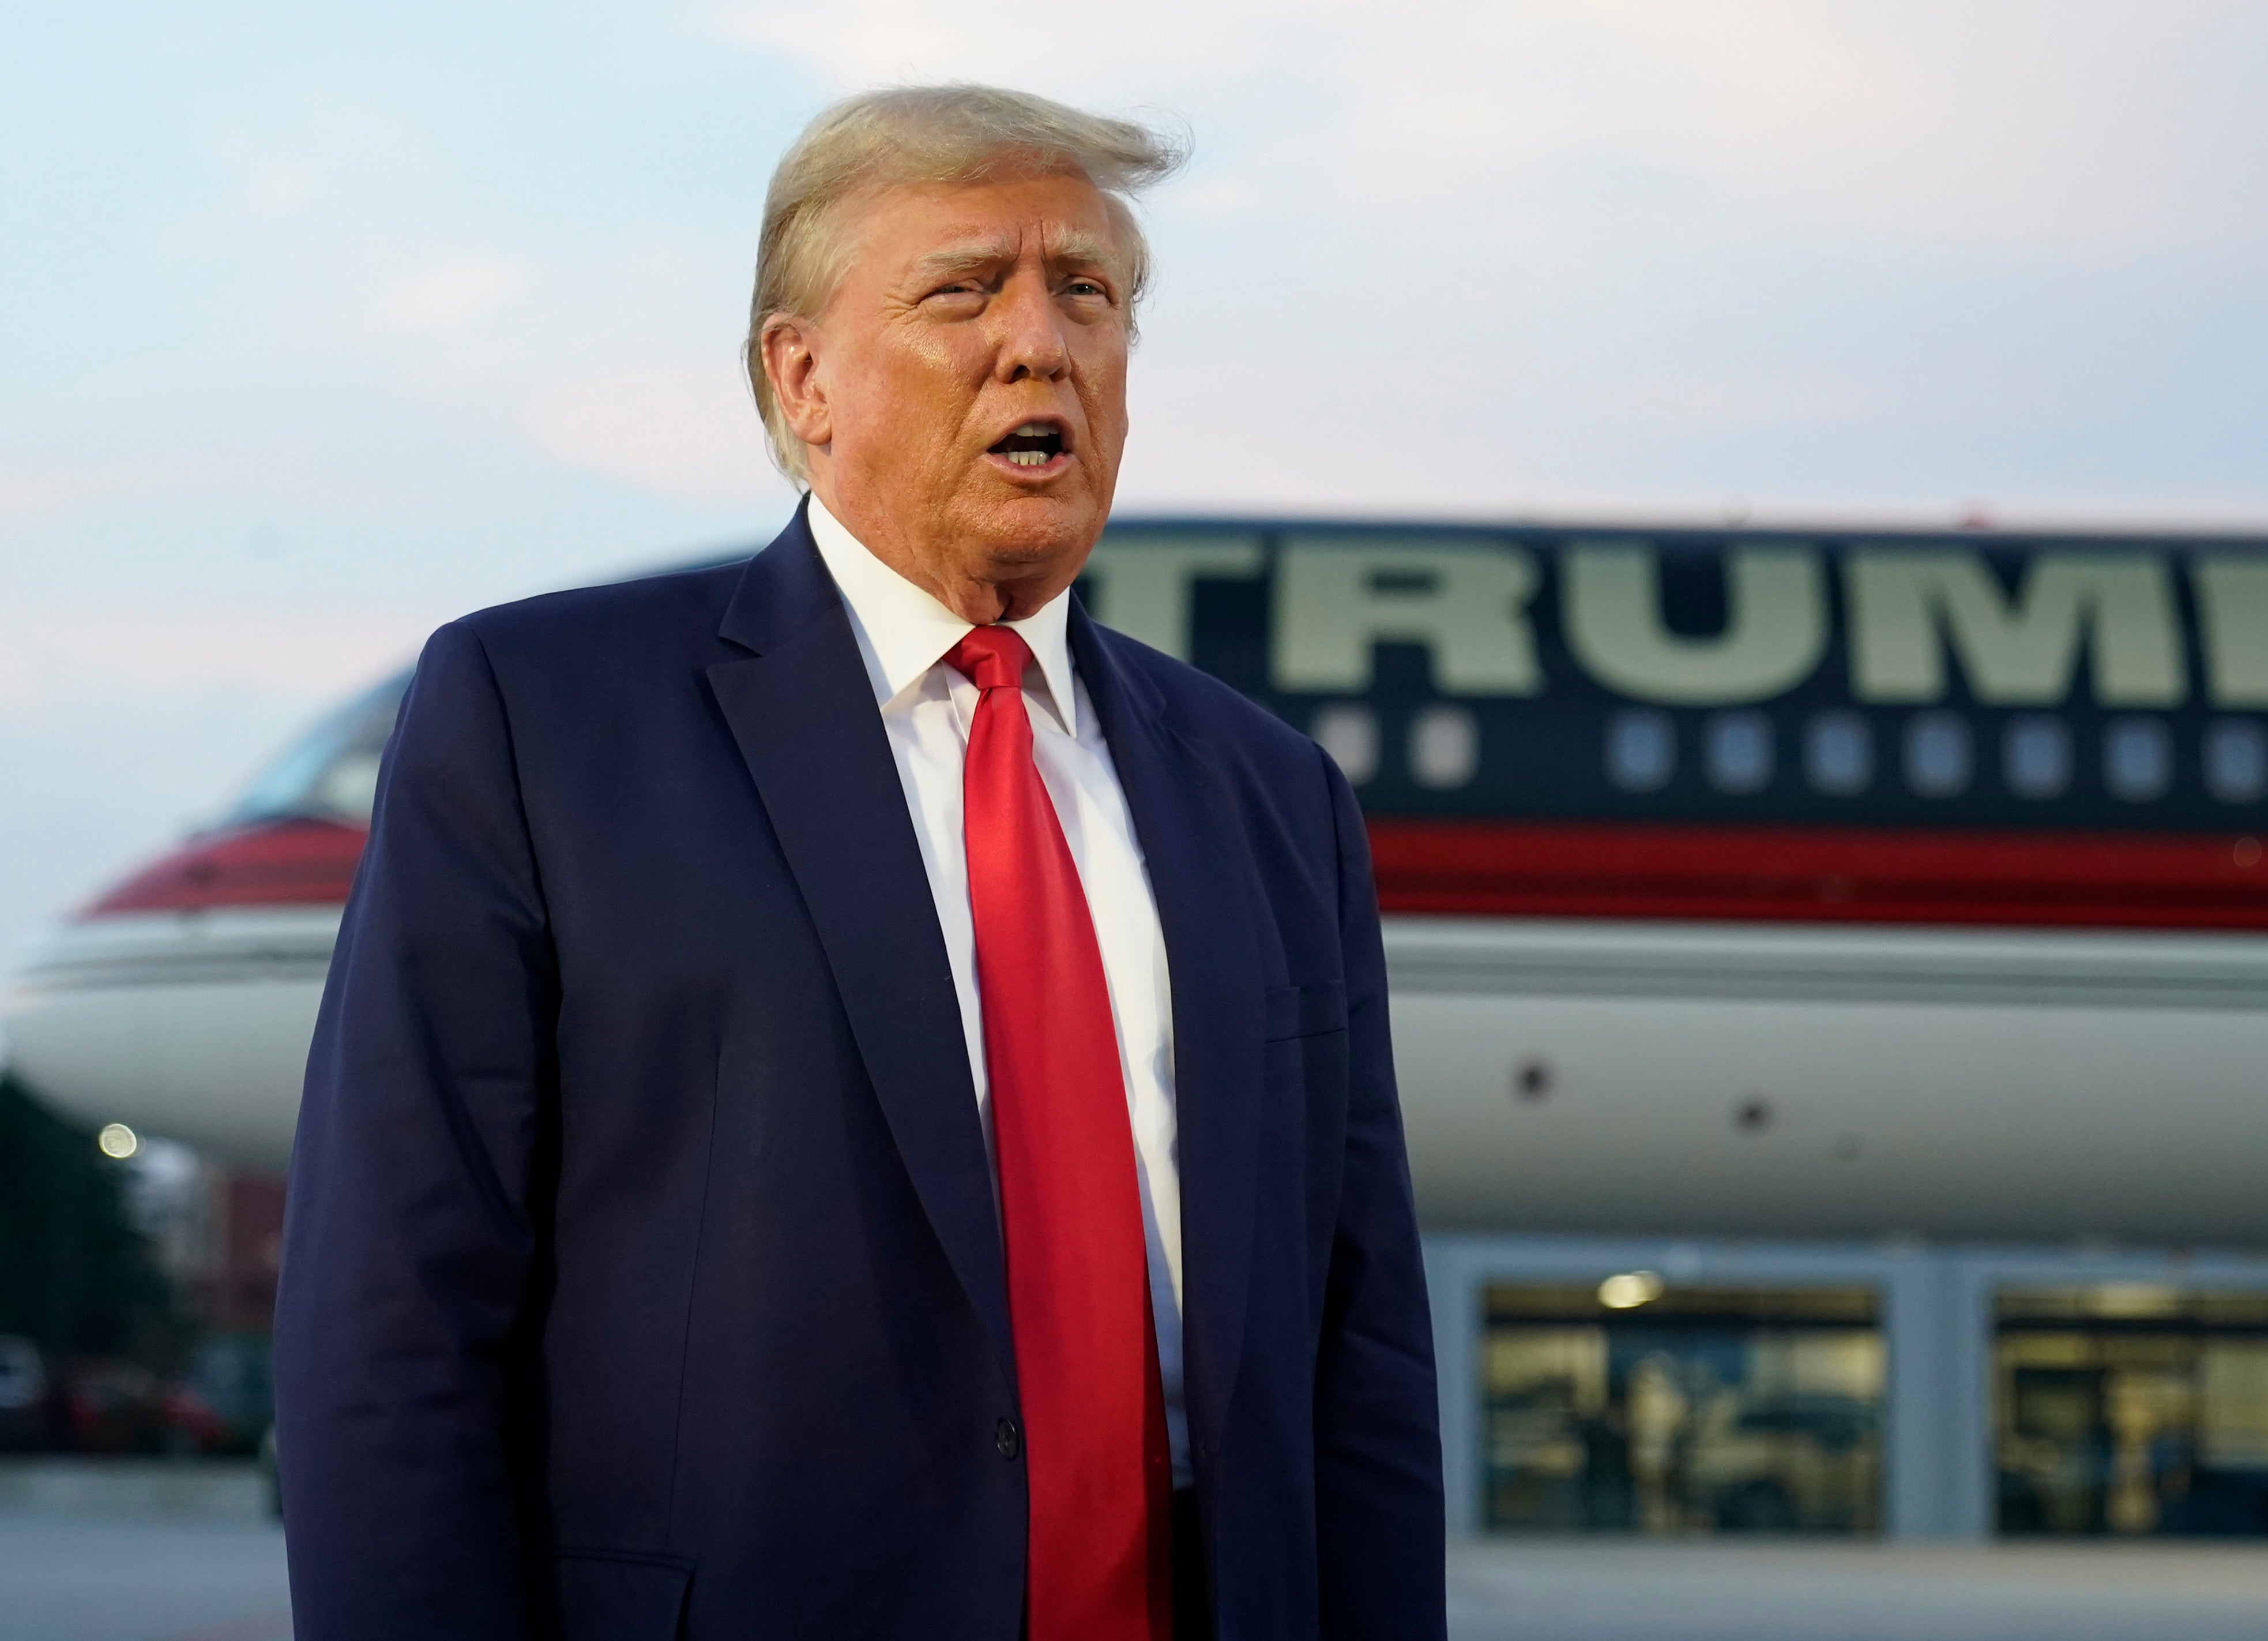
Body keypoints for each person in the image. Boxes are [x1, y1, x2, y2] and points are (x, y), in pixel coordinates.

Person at [272, 84, 1446, 1640]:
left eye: (1087, 293)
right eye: (965, 290)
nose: (1043, 344)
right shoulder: (537, 718)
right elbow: (393, 1317)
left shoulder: (1271, 794)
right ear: (802, 376)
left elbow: (1357, 1358)